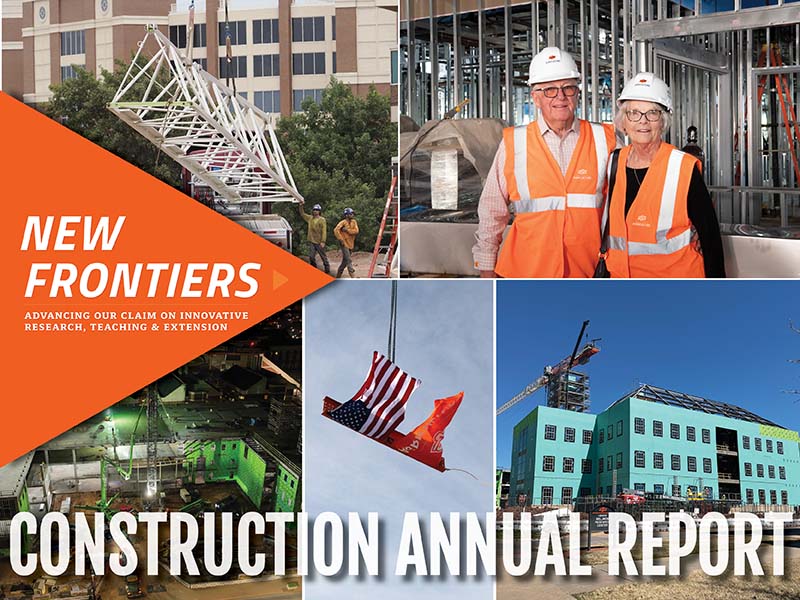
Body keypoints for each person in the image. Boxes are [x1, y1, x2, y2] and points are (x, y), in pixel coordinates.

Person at [472, 46, 618, 278]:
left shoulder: (605, 140)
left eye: (568, 88)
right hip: (525, 275)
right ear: (535, 97)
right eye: (549, 90)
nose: (560, 97)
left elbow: (626, 206)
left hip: (588, 273)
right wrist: (487, 266)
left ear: (577, 93)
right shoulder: (514, 143)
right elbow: (492, 209)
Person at [603, 72, 725, 278]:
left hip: (675, 290)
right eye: (634, 113)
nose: (642, 121)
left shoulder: (683, 167)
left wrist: (717, 290)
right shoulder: (614, 162)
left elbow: (710, 236)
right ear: (624, 121)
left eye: (652, 113)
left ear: (663, 121)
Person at [298, 200, 330, 274]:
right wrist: (301, 206)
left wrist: (323, 241)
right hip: (312, 241)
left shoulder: (322, 220)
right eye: (314, 210)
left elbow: (324, 231)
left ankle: (327, 270)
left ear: (319, 211)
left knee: (323, 257)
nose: (315, 211)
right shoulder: (310, 218)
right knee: (311, 257)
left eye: (317, 210)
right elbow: (302, 214)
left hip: (319, 241)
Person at [334, 207, 359, 278]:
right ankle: (353, 276)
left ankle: (338, 276)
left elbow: (356, 231)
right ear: (346, 215)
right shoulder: (342, 222)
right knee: (348, 259)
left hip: (351, 243)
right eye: (351, 214)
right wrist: (340, 239)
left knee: (344, 262)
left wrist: (347, 230)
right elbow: (336, 230)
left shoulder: (354, 222)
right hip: (344, 243)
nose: (352, 215)